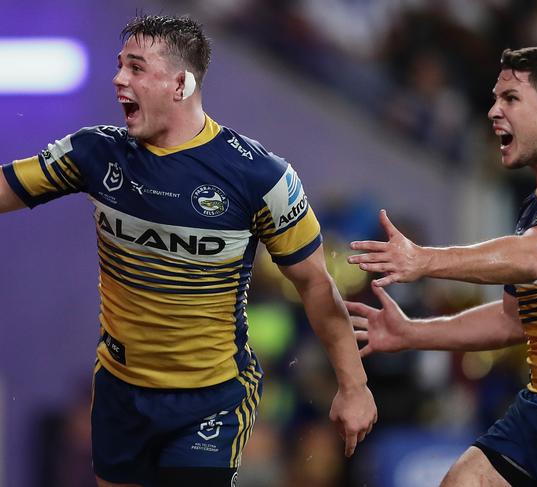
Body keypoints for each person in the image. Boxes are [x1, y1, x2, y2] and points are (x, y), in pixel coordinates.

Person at [0, 14, 377, 487]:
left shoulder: (261, 177)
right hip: (121, 391)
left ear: (180, 83)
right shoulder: (96, 153)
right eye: (120, 65)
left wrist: (353, 385)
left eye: (136, 68)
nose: (118, 78)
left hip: (211, 399)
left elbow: (317, 286)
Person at [346, 45, 537, 486]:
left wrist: (423, 259)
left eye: (510, 98)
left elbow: (534, 258)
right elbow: (512, 321)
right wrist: (411, 333)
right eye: (494, 98)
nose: (492, 111)